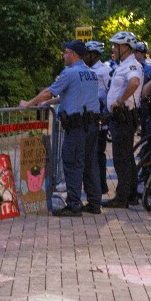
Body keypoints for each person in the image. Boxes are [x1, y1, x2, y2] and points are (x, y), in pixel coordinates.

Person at [21, 40, 101, 217]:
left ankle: (74, 205)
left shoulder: (70, 72)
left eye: (65, 52)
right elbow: (75, 95)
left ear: (73, 54)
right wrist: (50, 103)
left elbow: (48, 91)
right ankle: (95, 203)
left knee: (72, 163)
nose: (63, 56)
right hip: (92, 125)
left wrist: (29, 104)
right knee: (90, 164)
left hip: (77, 127)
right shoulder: (91, 74)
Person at [101, 31, 143, 209]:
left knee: (121, 158)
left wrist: (118, 101)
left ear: (124, 47)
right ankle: (131, 194)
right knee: (126, 157)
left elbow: (133, 83)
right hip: (120, 117)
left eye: (115, 45)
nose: (113, 48)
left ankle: (122, 197)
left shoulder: (131, 65)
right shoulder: (124, 64)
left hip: (124, 117)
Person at [84, 40, 111, 199]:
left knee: (98, 151)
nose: (84, 57)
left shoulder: (104, 70)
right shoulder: (87, 70)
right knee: (94, 152)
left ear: (94, 54)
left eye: (87, 54)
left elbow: (110, 91)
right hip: (91, 115)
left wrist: (107, 113)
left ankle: (101, 185)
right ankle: (100, 185)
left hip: (101, 115)